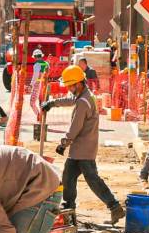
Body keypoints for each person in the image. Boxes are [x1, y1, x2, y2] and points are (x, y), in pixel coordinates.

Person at [42, 65, 125, 224]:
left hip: (83, 150)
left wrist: (63, 144)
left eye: (69, 86)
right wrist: (52, 103)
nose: (68, 88)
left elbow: (75, 127)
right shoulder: (85, 95)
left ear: (78, 83)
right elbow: (69, 100)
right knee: (68, 178)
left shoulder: (83, 102)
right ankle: (69, 209)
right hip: (80, 149)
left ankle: (115, 207)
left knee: (92, 179)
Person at [29, 48, 49, 117]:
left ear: (35, 57)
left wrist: (31, 85)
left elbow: (35, 76)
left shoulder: (37, 65)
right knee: (42, 102)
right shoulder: (46, 64)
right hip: (44, 84)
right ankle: (42, 117)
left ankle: (39, 116)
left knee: (32, 103)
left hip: (37, 84)